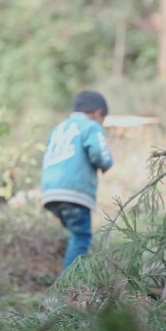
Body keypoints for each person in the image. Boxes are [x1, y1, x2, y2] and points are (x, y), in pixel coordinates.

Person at [41, 91, 114, 270]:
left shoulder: (58, 128)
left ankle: (72, 277)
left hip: (50, 192)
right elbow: (100, 154)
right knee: (81, 236)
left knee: (75, 234)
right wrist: (106, 164)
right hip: (74, 191)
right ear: (98, 113)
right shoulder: (91, 126)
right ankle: (69, 287)